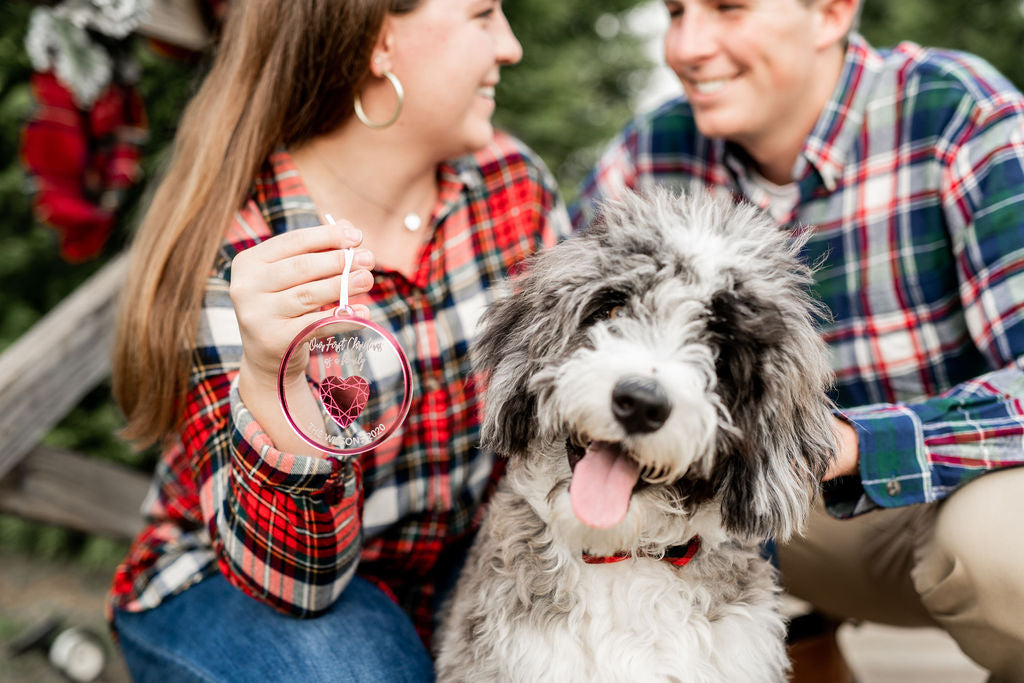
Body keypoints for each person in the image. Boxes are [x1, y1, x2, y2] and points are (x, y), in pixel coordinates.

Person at [107, 0, 570, 680]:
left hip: (452, 559)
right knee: (352, 667)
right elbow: (297, 587)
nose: (510, 47)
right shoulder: (248, 248)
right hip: (241, 578)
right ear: (380, 42)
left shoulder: (512, 187)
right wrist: (273, 376)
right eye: (483, 14)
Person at [571, 0, 1024, 680]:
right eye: (675, 11)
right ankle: (798, 636)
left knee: (1003, 550)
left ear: (832, 13)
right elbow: (546, 335)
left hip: (963, 493)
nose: (688, 46)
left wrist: (857, 442)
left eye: (728, 9)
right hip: (791, 513)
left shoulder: (960, 115)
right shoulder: (652, 153)